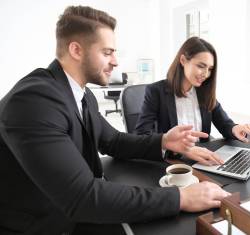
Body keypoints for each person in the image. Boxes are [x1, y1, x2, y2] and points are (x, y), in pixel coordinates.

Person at [0, 6, 230, 235]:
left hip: (71, 212)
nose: (116, 61)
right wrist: (179, 198)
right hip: (43, 225)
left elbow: (113, 141)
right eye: (107, 52)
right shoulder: (35, 101)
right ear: (76, 50)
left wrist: (164, 142)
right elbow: (83, 197)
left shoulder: (83, 95)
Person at [135, 37, 250, 165]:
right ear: (183, 60)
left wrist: (236, 128)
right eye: (201, 66)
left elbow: (224, 124)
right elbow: (142, 135)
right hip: (173, 162)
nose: (206, 74)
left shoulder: (204, 91)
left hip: (202, 160)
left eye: (210, 69)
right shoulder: (156, 91)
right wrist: (182, 150)